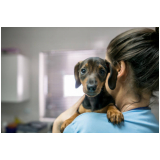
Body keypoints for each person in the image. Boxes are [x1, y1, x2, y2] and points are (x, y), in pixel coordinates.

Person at [52, 27, 159, 133]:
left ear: (118, 69)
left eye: (103, 71)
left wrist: (57, 124)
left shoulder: (81, 125)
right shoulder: (155, 126)